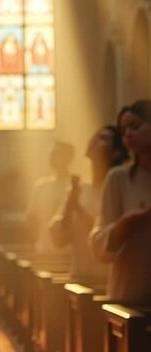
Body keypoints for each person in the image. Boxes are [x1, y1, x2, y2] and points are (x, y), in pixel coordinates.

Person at [91, 100, 151, 303]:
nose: (128, 134)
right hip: (130, 291)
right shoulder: (118, 178)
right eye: (123, 129)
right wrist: (125, 225)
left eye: (135, 126)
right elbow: (98, 242)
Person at [49, 126, 128, 278]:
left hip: (107, 276)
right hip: (80, 275)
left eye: (103, 138)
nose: (94, 141)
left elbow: (106, 234)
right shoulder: (79, 189)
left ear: (116, 152)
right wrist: (70, 203)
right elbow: (59, 240)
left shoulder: (120, 188)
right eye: (96, 137)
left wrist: (78, 208)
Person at [25, 141, 75, 252]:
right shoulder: (41, 186)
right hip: (44, 248)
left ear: (68, 158)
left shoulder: (75, 186)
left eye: (57, 153)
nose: (52, 157)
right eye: (51, 153)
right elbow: (32, 218)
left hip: (69, 249)